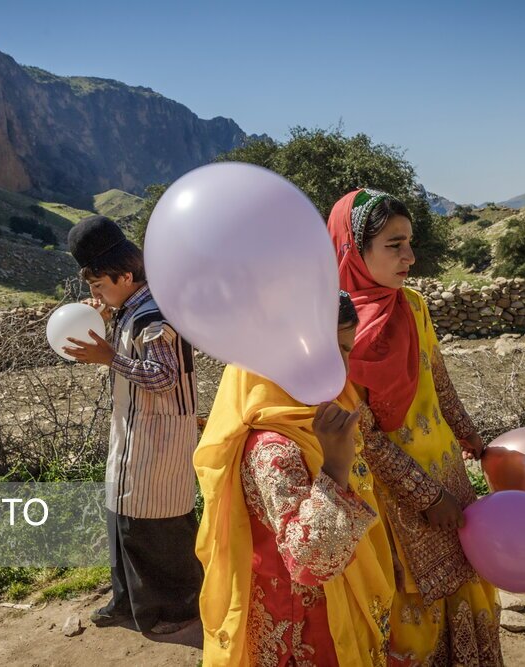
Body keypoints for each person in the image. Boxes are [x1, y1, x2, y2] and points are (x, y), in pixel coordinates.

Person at [328, 190, 504, 666]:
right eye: (393, 244)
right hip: (393, 496)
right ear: (351, 250)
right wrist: (426, 497)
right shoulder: (336, 328)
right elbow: (360, 431)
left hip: (446, 471)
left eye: (410, 242)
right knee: (410, 598)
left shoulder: (414, 305)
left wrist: (473, 439)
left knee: (463, 581)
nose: (409, 256)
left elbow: (437, 381)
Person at [194, 292, 395, 666]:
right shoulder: (272, 446)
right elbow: (309, 563)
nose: (338, 365)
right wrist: (335, 466)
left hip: (335, 608)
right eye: (324, 348)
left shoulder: (325, 414)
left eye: (346, 350)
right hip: (303, 628)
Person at [64, 215, 203, 635]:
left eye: (100, 286)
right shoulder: (134, 307)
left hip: (156, 442)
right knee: (124, 520)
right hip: (136, 437)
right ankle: (126, 602)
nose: (98, 296)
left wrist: (109, 357)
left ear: (126, 275)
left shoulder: (153, 317)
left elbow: (162, 377)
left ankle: (175, 612)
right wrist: (104, 312)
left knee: (156, 529)